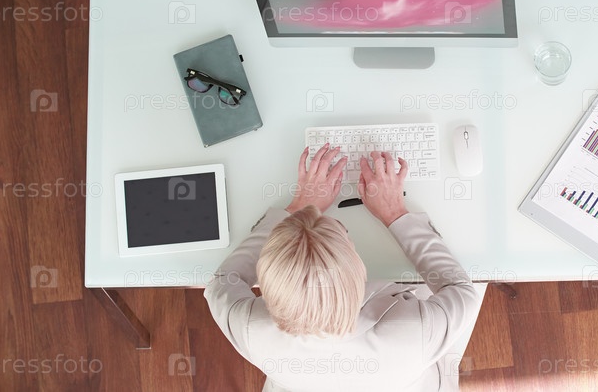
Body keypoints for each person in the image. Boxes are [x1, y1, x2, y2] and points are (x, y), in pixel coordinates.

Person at [205, 144, 481, 391]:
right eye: (344, 233)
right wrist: (395, 213)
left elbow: (221, 283)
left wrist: (299, 208)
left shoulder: (254, 330)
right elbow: (461, 290)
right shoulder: (413, 331)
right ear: (359, 272)